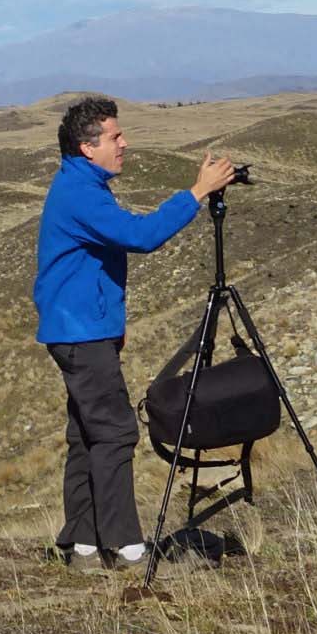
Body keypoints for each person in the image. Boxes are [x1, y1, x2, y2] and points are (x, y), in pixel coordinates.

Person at [32, 96, 235, 572]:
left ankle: (82, 544)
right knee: (116, 432)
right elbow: (140, 237)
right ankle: (126, 547)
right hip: (82, 332)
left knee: (87, 433)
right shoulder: (82, 194)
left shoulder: (82, 184)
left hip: (80, 329)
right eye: (115, 136)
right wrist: (197, 192)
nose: (125, 144)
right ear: (88, 146)